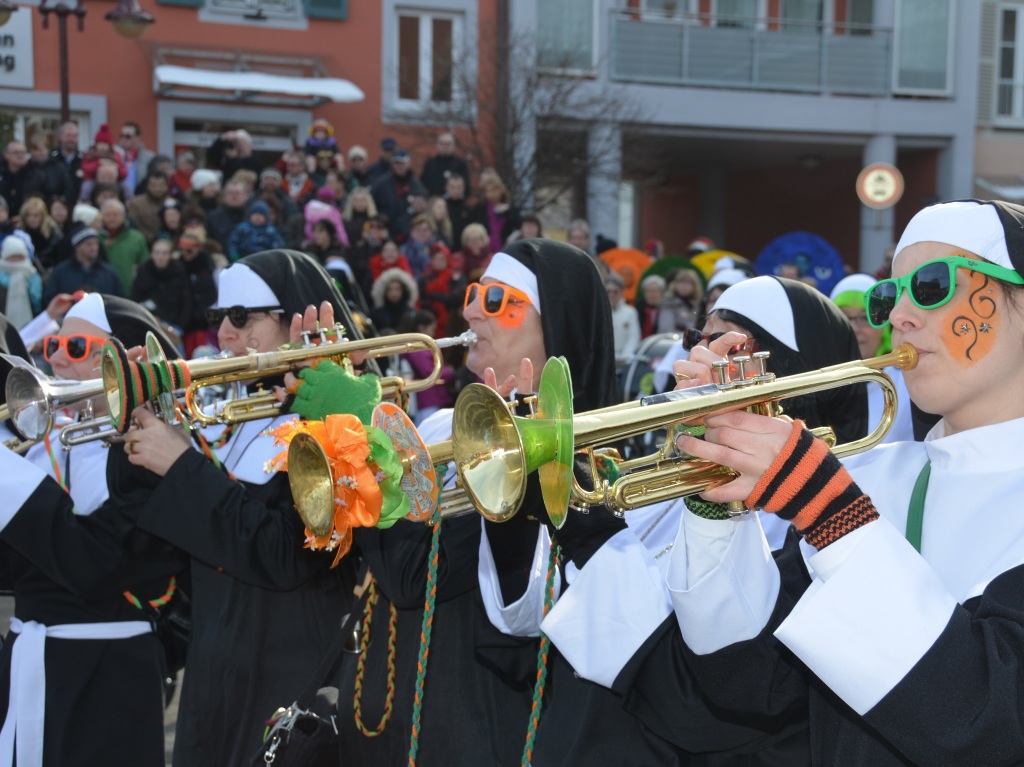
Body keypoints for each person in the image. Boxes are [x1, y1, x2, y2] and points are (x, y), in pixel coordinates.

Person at [112, 249, 365, 766]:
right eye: (216, 318)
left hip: (290, 677)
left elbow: (285, 554)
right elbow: (172, 543)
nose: (223, 333)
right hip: (216, 674)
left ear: (295, 319)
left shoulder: (334, 420)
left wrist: (183, 465)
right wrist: (137, 433)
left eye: (241, 317)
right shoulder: (236, 417)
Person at [0, 293, 187, 767]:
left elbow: (98, 565)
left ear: (124, 358)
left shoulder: (151, 453)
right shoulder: (38, 443)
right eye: (54, 346)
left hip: (110, 675)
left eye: (78, 347)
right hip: (30, 661)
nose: (57, 357)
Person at [829, 273, 914, 443]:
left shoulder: (908, 381)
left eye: (865, 318)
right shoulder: (820, 382)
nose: (854, 328)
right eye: (845, 317)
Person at [44, 223, 123, 303]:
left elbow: (119, 301)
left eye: (96, 243)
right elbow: (50, 301)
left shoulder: (108, 272)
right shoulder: (61, 272)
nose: (94, 248)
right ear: (77, 247)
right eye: (88, 244)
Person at [132, 236, 190, 337]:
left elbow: (186, 302)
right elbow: (136, 298)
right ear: (152, 254)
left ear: (170, 255)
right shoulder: (143, 272)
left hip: (173, 325)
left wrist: (180, 326)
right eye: (157, 252)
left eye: (164, 253)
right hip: (147, 323)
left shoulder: (179, 272)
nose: (160, 256)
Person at [98, 198, 149, 295]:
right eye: (108, 215)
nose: (112, 218)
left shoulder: (137, 238)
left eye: (115, 215)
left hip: (130, 291)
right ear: (102, 217)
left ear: (123, 216)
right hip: (103, 292)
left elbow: (145, 264)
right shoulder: (96, 238)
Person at [16, 196, 63, 271]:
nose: (32, 219)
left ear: (43, 216)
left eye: (36, 215)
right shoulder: (18, 235)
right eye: (28, 215)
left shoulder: (54, 233)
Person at [607, 271, 640, 373]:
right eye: (608, 291)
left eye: (615, 292)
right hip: (605, 359)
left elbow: (633, 337)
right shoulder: (598, 312)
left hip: (624, 362)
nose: (611, 295)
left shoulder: (630, 312)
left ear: (621, 292)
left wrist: (624, 357)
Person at [420, 131, 470, 197]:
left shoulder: (460, 165)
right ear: (437, 145)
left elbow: (466, 188)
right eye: (442, 143)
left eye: (448, 144)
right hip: (432, 203)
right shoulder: (430, 164)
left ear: (454, 146)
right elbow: (422, 185)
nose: (445, 146)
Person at [369, 266, 418, 333]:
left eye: (398, 289)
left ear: (404, 291)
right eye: (390, 290)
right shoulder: (376, 313)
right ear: (384, 291)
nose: (394, 293)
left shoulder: (410, 312)